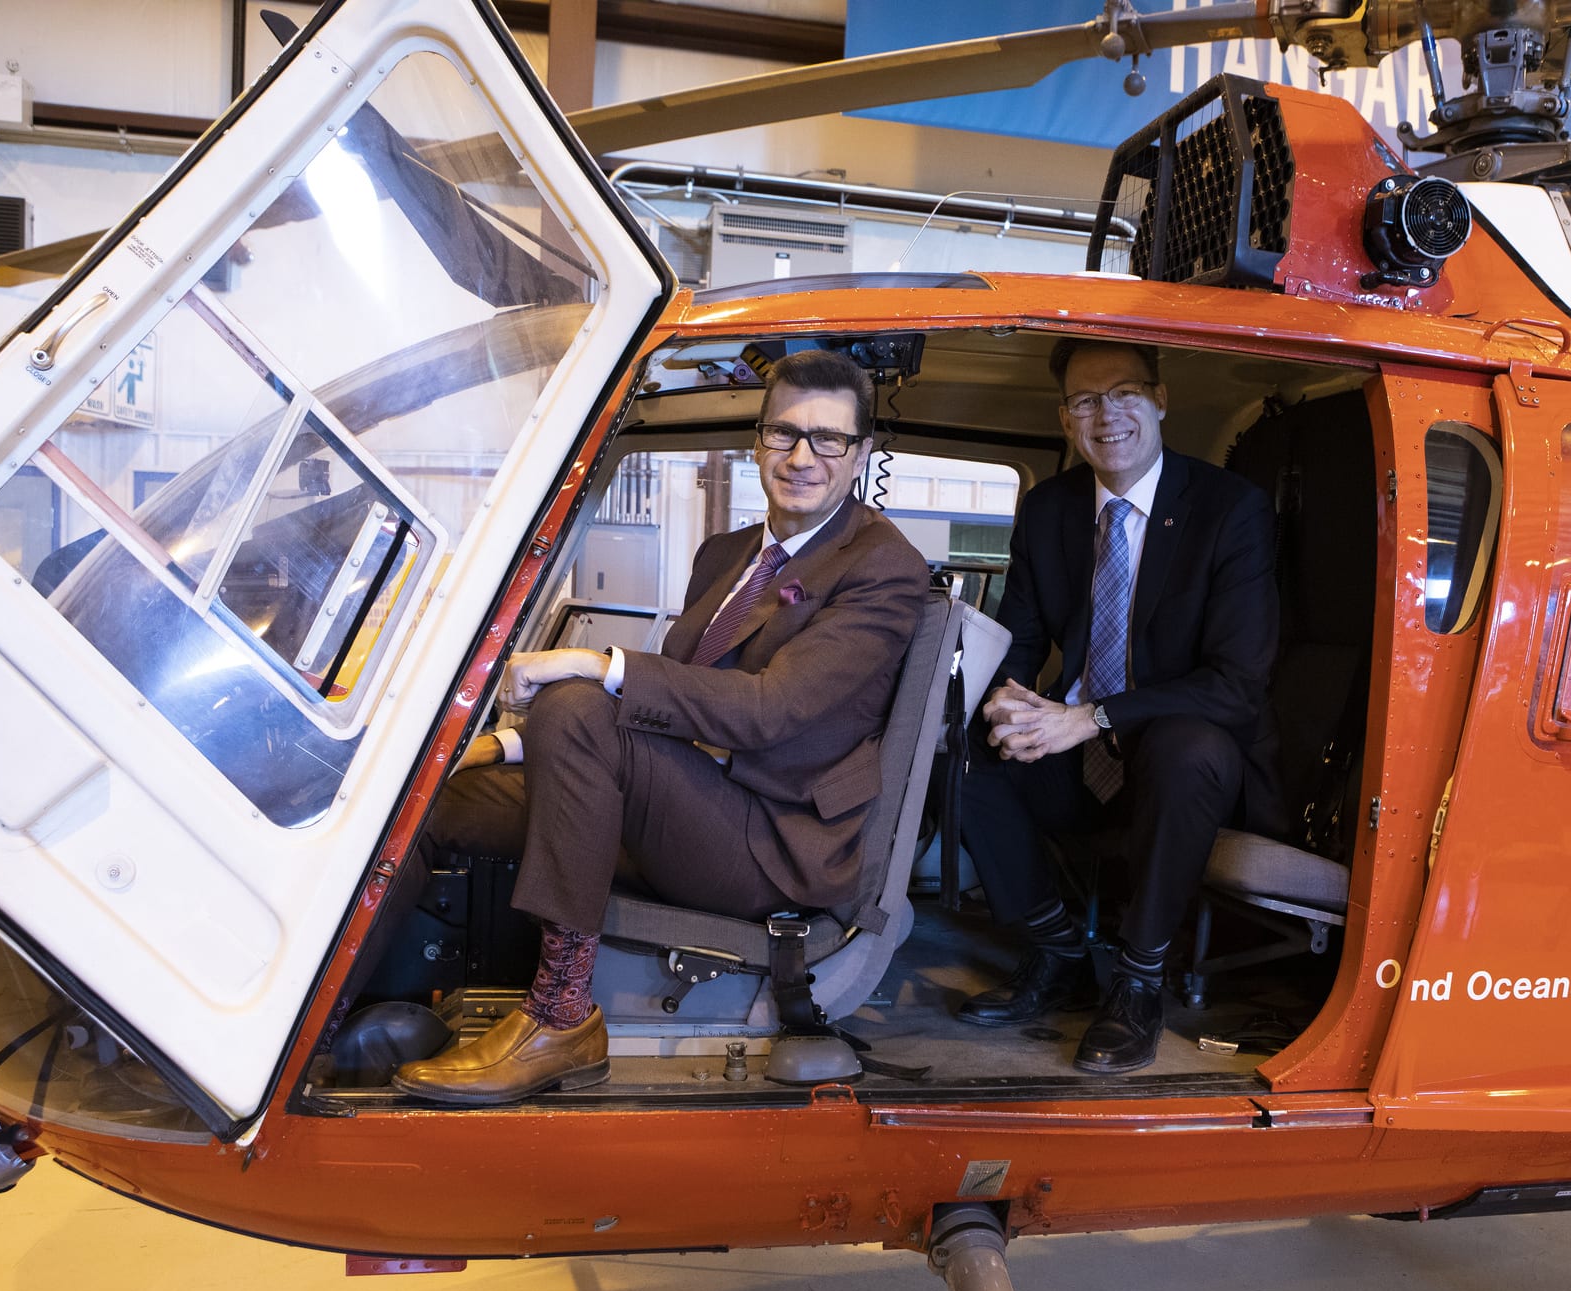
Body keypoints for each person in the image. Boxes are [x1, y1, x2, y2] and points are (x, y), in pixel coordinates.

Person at [392, 349, 930, 1103]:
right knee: (434, 802)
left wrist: (595, 663)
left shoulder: (883, 567)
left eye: (828, 439)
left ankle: (560, 1015)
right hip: (692, 803)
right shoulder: (727, 554)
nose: (802, 456)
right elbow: (672, 706)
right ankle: (330, 1012)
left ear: (861, 452)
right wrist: (507, 744)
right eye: (783, 433)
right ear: (757, 441)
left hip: (768, 842)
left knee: (576, 702)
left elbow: (767, 709)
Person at [957, 338, 1280, 1074]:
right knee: (966, 741)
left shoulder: (1229, 509)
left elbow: (1237, 683)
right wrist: (1006, 701)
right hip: (1075, 755)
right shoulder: (1049, 509)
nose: (1107, 415)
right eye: (1085, 400)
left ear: (1159, 400)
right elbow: (1019, 639)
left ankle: (1139, 980)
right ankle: (1058, 950)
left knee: (1188, 747)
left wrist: (1091, 716)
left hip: (1181, 759)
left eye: (1125, 393)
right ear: (1065, 418)